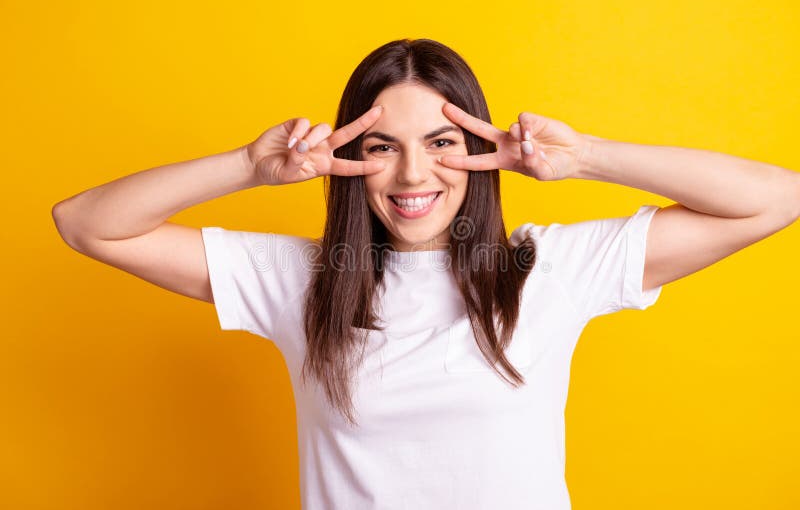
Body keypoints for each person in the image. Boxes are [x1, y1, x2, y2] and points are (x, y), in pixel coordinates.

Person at [51, 38, 800, 510]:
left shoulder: (548, 268)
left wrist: (588, 158)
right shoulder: (304, 280)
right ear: (351, 160)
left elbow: (776, 199)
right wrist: (247, 166)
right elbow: (84, 223)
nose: (414, 173)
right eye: (381, 146)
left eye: (442, 142)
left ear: (479, 149)